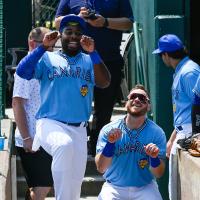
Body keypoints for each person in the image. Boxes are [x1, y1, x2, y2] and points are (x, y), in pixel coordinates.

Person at [16, 15, 111, 200]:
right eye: (68, 32)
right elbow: (22, 71)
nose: (73, 36)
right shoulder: (48, 58)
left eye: (78, 33)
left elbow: (105, 82)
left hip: (79, 129)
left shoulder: (88, 60)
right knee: (63, 145)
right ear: (61, 35)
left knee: (74, 186)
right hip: (50, 123)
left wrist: (93, 53)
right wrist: (42, 47)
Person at [55, 0, 134, 156]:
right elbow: (58, 22)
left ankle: (96, 148)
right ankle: (75, 145)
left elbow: (128, 23)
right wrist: (76, 18)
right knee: (74, 104)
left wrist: (104, 22)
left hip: (108, 61)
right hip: (76, 63)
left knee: (104, 110)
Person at [95, 84, 166, 200]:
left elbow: (158, 173)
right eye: (133, 96)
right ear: (126, 102)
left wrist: (154, 157)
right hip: (114, 187)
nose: (137, 99)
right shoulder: (109, 130)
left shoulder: (157, 133)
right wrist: (110, 144)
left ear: (148, 106)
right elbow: (101, 167)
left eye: (142, 98)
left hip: (145, 188)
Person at [152, 34, 200, 200]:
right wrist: (173, 137)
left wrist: (196, 135)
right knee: (176, 191)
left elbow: (198, 106)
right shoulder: (182, 70)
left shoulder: (189, 72)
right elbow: (184, 109)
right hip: (182, 131)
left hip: (192, 132)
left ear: (165, 55)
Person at [12, 27, 53, 200]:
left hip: (48, 137)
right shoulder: (25, 68)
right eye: (46, 45)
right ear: (32, 43)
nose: (50, 50)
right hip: (31, 139)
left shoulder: (49, 64)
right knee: (42, 188)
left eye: (52, 46)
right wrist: (27, 137)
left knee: (43, 187)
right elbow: (17, 103)